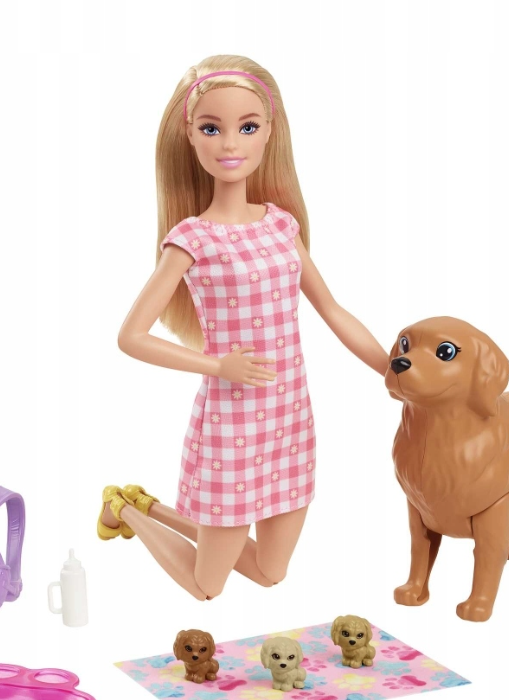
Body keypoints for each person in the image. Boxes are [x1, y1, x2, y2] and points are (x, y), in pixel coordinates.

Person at [99, 55, 387, 600]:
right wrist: (217, 365)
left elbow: (331, 308)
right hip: (230, 424)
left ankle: (147, 504)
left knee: (270, 572)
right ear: (190, 135)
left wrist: (390, 371)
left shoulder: (281, 224)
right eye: (212, 128)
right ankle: (124, 509)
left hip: (289, 418)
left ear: (269, 131)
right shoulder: (191, 239)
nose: (230, 144)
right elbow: (131, 336)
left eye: (247, 127)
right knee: (206, 586)